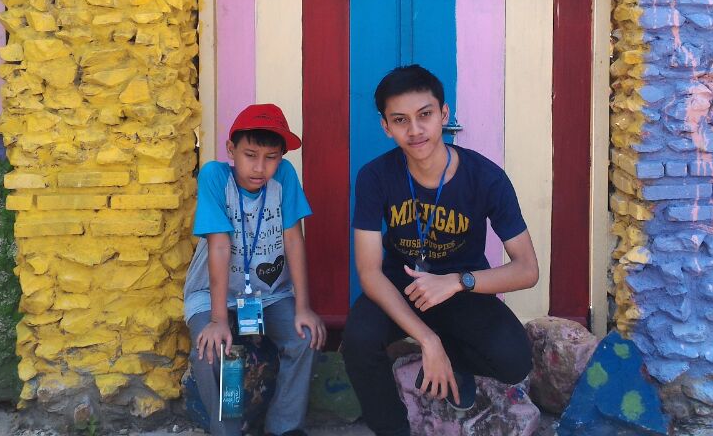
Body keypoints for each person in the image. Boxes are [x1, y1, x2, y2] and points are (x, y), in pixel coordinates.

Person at [341, 65, 539, 436]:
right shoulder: (375, 177)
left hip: (462, 288)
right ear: (386, 126)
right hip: (402, 284)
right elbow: (369, 272)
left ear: (444, 115)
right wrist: (427, 339)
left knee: (515, 360)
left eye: (425, 115)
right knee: (357, 341)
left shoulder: (486, 178)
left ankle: (452, 356)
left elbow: (527, 269)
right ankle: (393, 428)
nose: (415, 130)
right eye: (400, 120)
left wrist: (458, 281)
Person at [185, 103, 326, 436]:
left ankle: (284, 427)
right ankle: (228, 431)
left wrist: (303, 307)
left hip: (269, 293)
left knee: (305, 338)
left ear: (281, 157)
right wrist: (218, 320)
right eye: (250, 155)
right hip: (211, 293)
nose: (260, 167)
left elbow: (293, 239)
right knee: (211, 351)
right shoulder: (215, 177)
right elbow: (220, 246)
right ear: (231, 150)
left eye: (271, 157)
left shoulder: (284, 177)